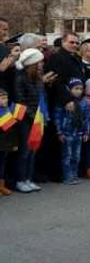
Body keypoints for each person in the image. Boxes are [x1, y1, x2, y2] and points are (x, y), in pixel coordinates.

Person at [14, 48, 51, 193]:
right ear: (32, 63)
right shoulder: (20, 78)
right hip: (25, 120)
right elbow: (20, 100)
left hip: (37, 118)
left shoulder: (37, 78)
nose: (41, 64)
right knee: (25, 151)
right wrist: (32, 116)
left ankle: (29, 178)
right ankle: (20, 180)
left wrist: (41, 115)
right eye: (39, 62)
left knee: (33, 150)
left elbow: (41, 98)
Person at [54, 78, 90, 185]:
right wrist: (59, 132)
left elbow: (86, 118)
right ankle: (67, 176)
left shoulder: (83, 102)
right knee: (67, 156)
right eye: (76, 88)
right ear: (69, 89)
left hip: (78, 133)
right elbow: (57, 117)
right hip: (67, 133)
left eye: (81, 89)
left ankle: (74, 175)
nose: (79, 91)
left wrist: (86, 132)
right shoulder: (63, 101)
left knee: (76, 156)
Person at [45, 32, 83, 109]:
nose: (75, 45)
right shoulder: (56, 58)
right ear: (63, 42)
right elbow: (56, 81)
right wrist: (67, 100)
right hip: (62, 102)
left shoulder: (76, 58)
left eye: (77, 43)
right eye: (71, 42)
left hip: (77, 98)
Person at [0, 88, 19, 196]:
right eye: (2, 98)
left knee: (2, 164)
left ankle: (1, 186)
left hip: (5, 144)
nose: (6, 100)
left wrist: (14, 144)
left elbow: (13, 130)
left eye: (6, 98)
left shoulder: (8, 110)